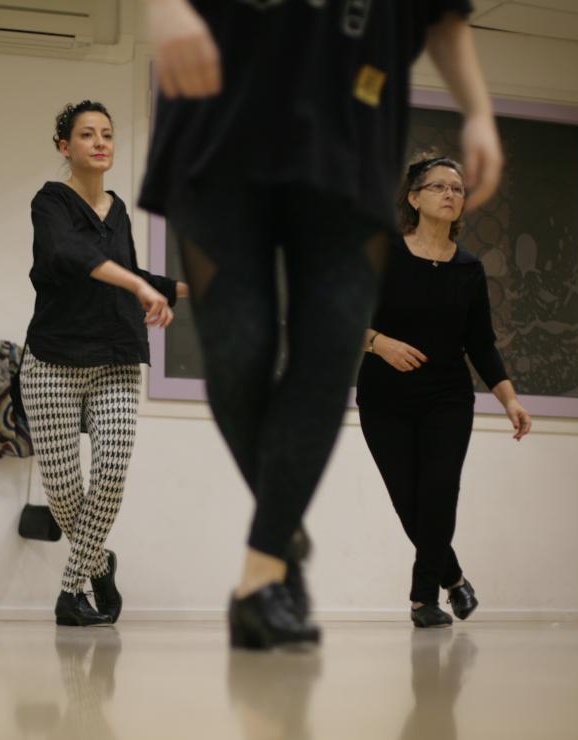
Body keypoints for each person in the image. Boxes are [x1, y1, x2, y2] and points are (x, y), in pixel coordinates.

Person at [139, 0, 503, 649]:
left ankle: (261, 574)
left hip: (351, 128)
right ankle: (284, 523)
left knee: (328, 357)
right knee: (239, 354)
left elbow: (444, 15)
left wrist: (477, 110)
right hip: (222, 109)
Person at [21, 100, 185, 627]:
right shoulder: (50, 202)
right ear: (64, 146)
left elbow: (130, 273)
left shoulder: (118, 210)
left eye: (107, 134)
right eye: (87, 134)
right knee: (65, 494)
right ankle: (99, 564)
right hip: (53, 360)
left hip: (115, 355)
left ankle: (70, 592)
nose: (99, 143)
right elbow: (69, 255)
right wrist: (135, 283)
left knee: (111, 472)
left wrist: (185, 288)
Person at [358, 153, 531, 628]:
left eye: (457, 188)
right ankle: (453, 577)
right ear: (414, 199)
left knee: (439, 493)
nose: (450, 194)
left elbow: (482, 343)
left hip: (448, 397)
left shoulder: (469, 268)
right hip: (385, 398)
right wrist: (379, 343)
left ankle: (423, 599)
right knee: (409, 501)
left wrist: (510, 399)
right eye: (438, 186)